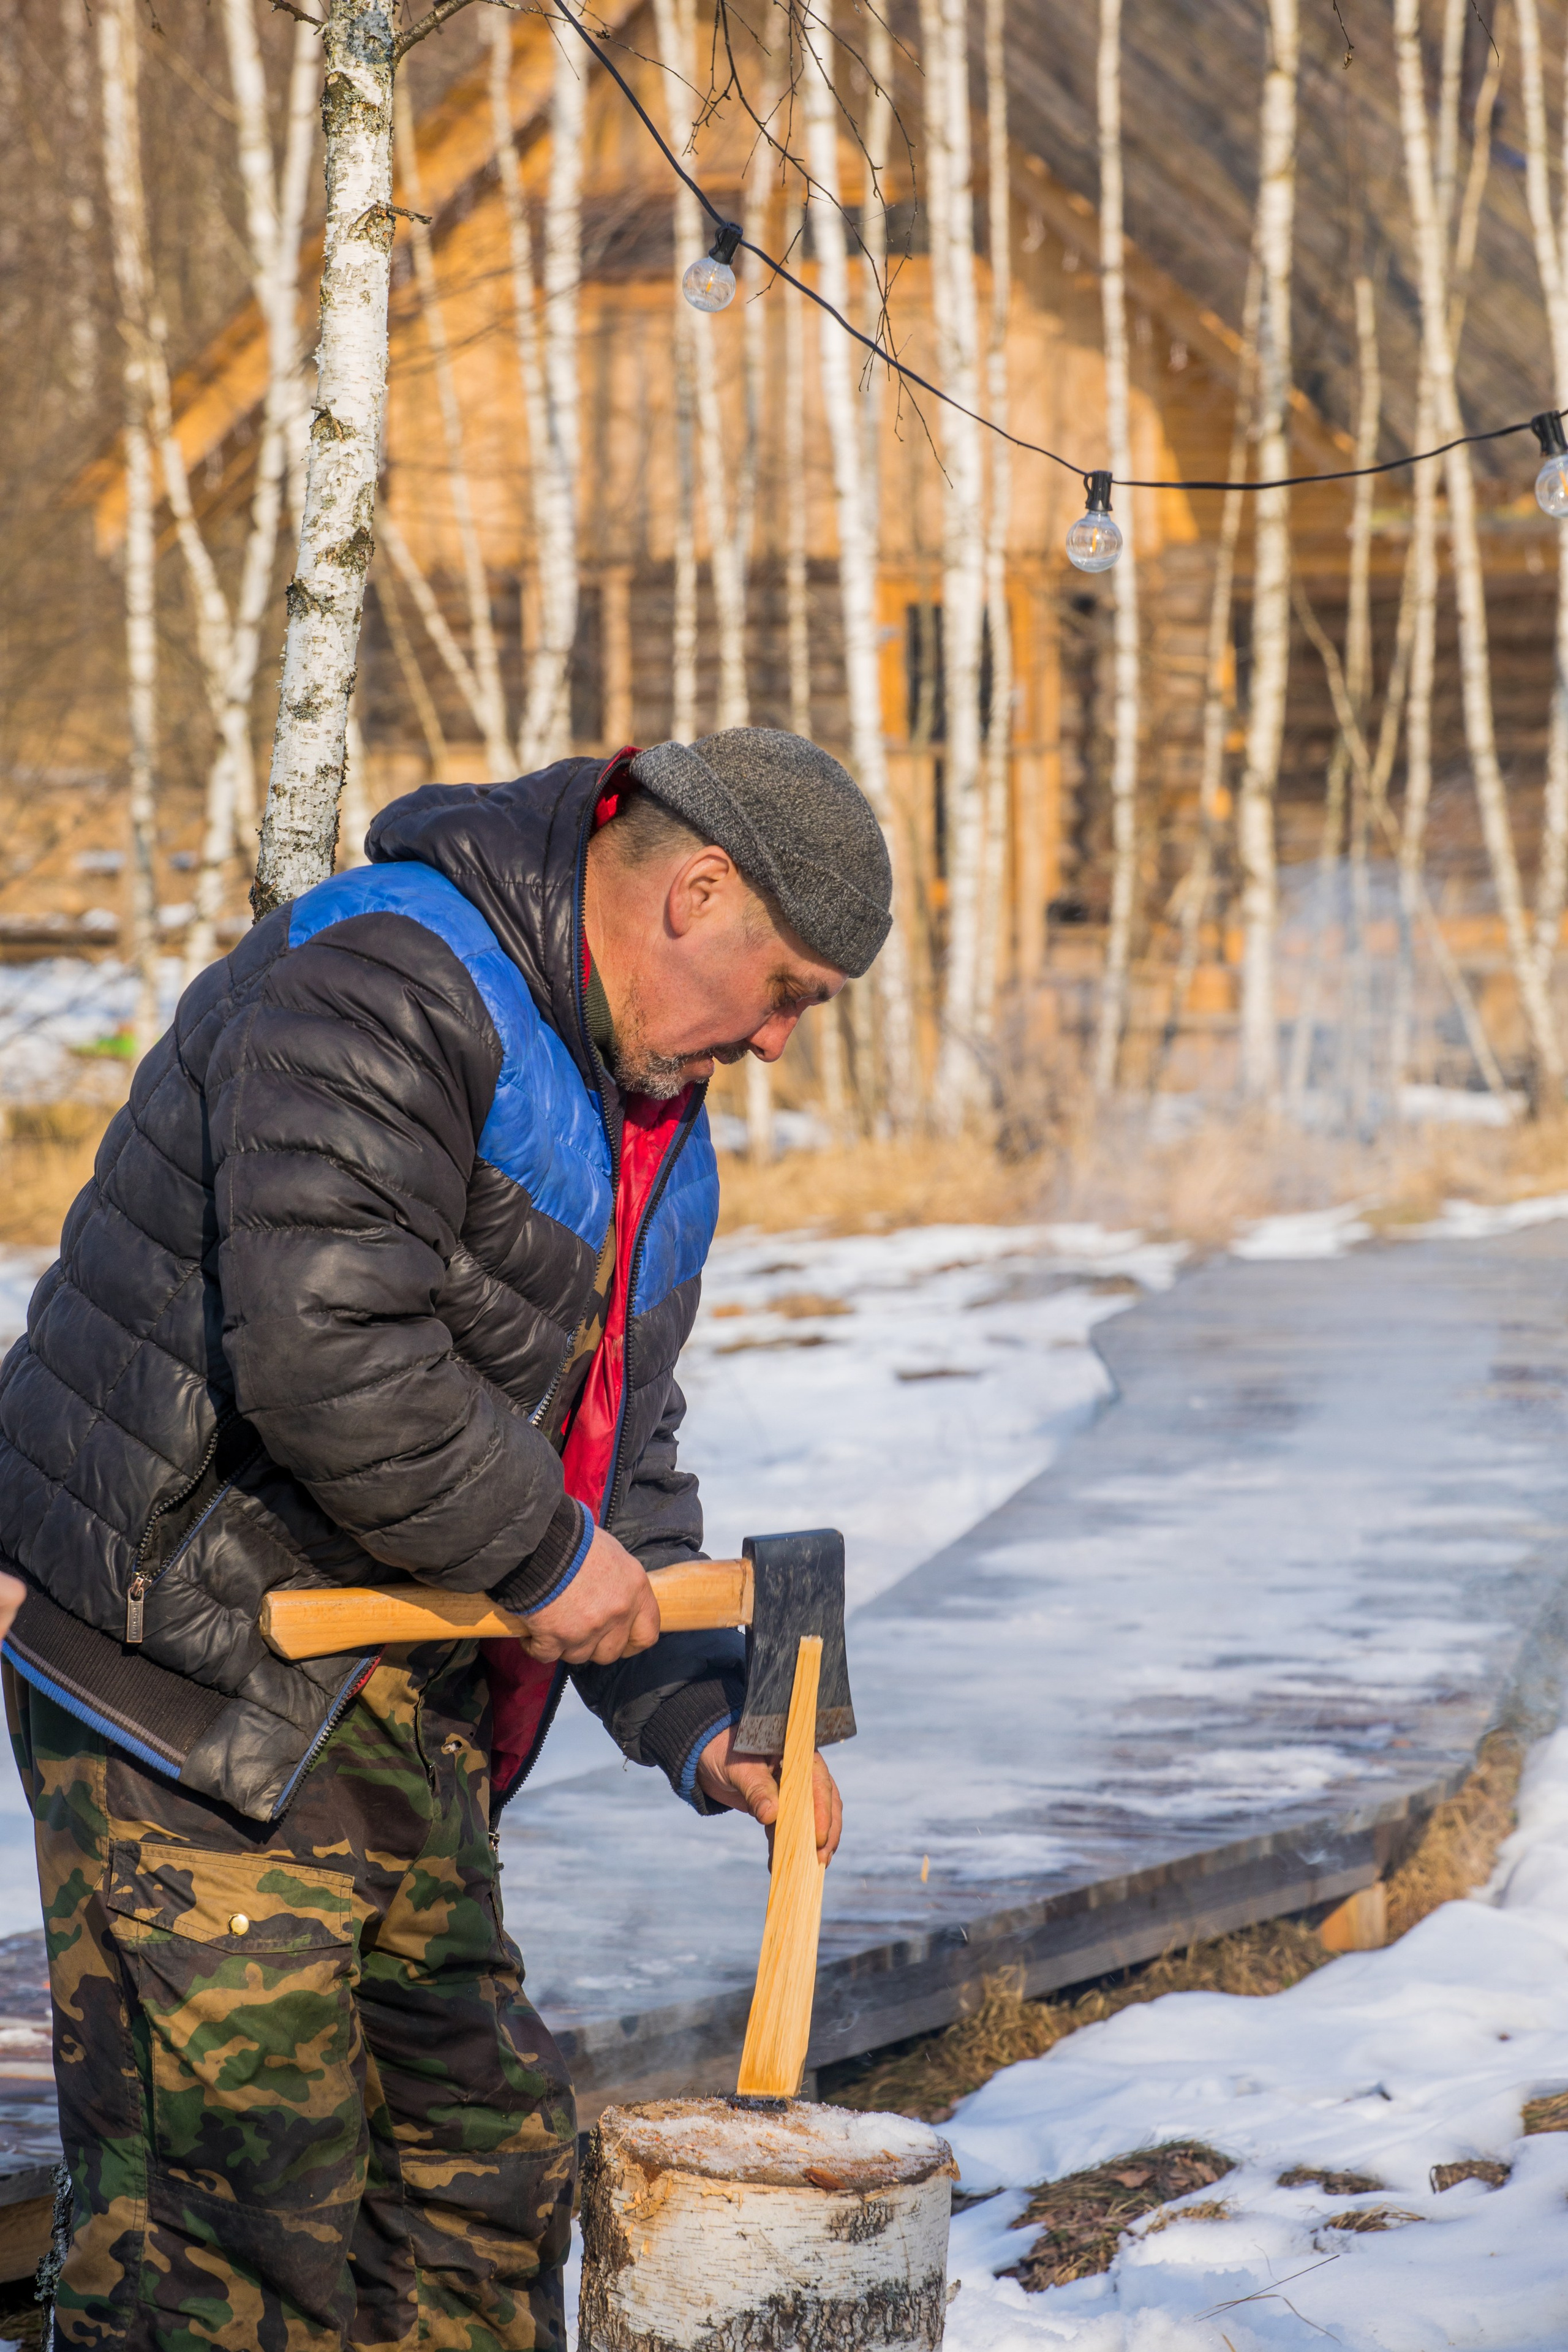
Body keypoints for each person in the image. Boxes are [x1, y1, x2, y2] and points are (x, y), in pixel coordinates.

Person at [0, 728, 893, 2351]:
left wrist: (700, 1718)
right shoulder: (392, 978)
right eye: (789, 991)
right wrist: (546, 1560)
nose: (775, 1043)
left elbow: (619, 1445)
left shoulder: (649, 1117)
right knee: (237, 2212)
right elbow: (328, 1345)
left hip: (402, 1676)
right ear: (695, 892)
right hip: (192, 1655)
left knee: (476, 2166)